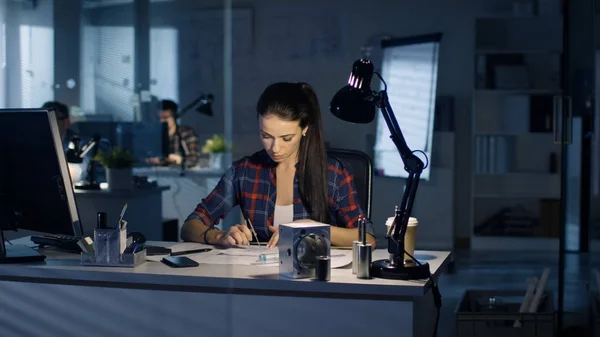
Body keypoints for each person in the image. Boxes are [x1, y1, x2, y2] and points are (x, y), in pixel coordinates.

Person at [181, 82, 376, 249]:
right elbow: (191, 225)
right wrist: (219, 236)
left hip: (315, 278)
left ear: (305, 129)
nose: (275, 148)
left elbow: (367, 238)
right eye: (266, 136)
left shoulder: (334, 174)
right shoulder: (244, 172)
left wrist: (316, 229)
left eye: (286, 138)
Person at [147, 99, 200, 167]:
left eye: (165, 118)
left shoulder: (186, 133)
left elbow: (194, 159)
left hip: (182, 175)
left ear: (174, 117)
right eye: (159, 118)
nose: (161, 121)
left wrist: (179, 160)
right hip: (157, 175)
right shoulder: (154, 135)